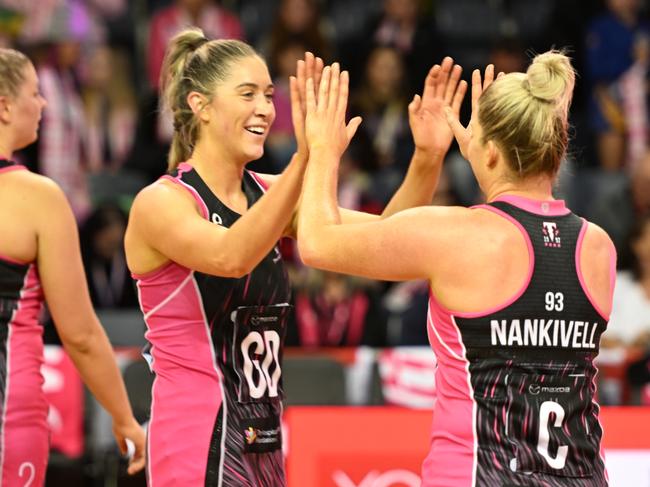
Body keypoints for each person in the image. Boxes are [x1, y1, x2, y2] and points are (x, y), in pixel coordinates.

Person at [124, 26, 466, 486]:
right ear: (200, 105)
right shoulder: (162, 202)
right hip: (196, 443)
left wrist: (427, 157)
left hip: (263, 441)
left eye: (268, 95)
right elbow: (231, 256)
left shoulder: (266, 193)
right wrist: (308, 157)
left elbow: (387, 241)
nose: (265, 108)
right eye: (247, 94)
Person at [298, 51, 616, 486]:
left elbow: (317, 243)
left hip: (479, 474)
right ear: (556, 151)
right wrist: (464, 154)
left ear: (487, 154)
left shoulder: (456, 235)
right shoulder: (598, 247)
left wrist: (321, 150)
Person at [0, 48, 145, 486]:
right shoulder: (38, 197)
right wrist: (123, 418)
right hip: (8, 412)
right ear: (4, 107)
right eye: (36, 93)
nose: (43, 105)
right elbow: (79, 333)